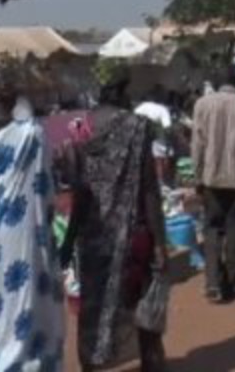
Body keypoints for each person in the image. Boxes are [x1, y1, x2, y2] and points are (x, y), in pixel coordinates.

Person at [59, 82, 169, 372]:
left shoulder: (79, 128)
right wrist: (160, 242)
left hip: (94, 236)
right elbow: (149, 189)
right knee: (143, 296)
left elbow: (78, 191)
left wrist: (69, 241)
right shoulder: (137, 126)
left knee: (94, 303)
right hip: (134, 233)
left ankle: (91, 362)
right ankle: (151, 359)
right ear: (124, 98)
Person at [0, 97, 65, 372]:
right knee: (26, 309)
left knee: (1, 311)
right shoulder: (34, 134)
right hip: (23, 238)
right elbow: (46, 191)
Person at [192, 76, 235, 304]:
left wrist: (197, 175)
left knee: (212, 230)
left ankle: (213, 282)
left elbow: (197, 144)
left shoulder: (202, 104)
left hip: (211, 177)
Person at [136, 86, 174, 187]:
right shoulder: (162, 109)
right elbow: (167, 127)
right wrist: (170, 141)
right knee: (161, 161)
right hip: (158, 139)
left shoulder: (141, 107)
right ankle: (162, 183)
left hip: (141, 139)